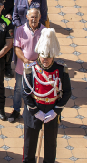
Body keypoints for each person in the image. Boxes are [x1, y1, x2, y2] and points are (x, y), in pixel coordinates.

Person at [22, 28, 71, 163]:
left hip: (51, 110)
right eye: (43, 56)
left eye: (49, 57)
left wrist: (56, 111)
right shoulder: (30, 69)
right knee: (29, 146)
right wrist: (35, 111)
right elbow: (25, 93)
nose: (46, 60)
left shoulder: (61, 70)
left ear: (53, 56)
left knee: (50, 145)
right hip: (34, 110)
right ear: (39, 54)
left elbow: (67, 92)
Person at [10, 8, 44, 123]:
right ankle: (16, 110)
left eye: (36, 17)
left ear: (39, 17)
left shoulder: (44, 31)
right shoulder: (20, 30)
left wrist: (38, 62)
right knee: (19, 89)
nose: (34, 19)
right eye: (32, 17)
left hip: (38, 68)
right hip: (22, 67)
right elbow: (17, 47)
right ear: (27, 17)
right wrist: (25, 60)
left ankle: (33, 112)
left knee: (36, 90)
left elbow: (46, 50)